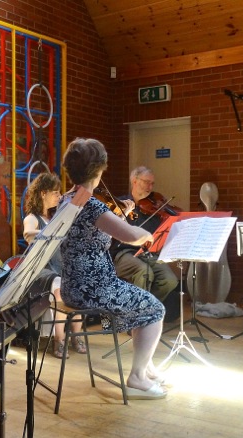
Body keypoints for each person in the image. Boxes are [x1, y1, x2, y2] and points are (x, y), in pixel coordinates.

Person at [59, 138, 167, 399]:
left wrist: (120, 217)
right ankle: (137, 377)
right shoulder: (92, 205)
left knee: (141, 305)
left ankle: (146, 366)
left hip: (72, 286)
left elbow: (93, 232)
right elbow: (131, 236)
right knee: (155, 309)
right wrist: (147, 235)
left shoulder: (68, 200)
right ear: (99, 170)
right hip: (95, 288)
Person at [23, 172, 87, 359]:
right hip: (41, 270)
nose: (59, 196)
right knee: (59, 288)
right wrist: (54, 232)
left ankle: (76, 336)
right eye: (55, 193)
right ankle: (59, 340)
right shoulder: (32, 218)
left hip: (58, 267)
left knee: (79, 285)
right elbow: (28, 234)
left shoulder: (54, 217)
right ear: (43, 193)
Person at [110, 166, 179, 318]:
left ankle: (146, 310)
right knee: (144, 272)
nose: (150, 187)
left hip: (147, 253)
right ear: (134, 181)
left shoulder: (155, 207)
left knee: (170, 280)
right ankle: (136, 318)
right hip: (123, 253)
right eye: (147, 182)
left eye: (152, 183)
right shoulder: (120, 204)